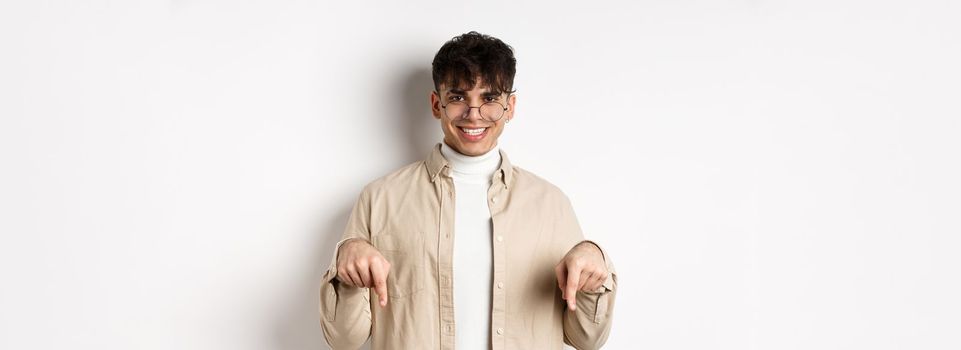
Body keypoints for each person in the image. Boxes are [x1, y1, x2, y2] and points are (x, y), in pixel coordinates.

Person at [319, 31, 617, 350]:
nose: (473, 114)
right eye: (458, 97)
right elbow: (343, 340)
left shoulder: (551, 203)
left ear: (510, 106)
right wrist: (346, 271)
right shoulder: (380, 198)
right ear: (437, 104)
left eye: (489, 98)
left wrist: (595, 263)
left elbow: (587, 339)